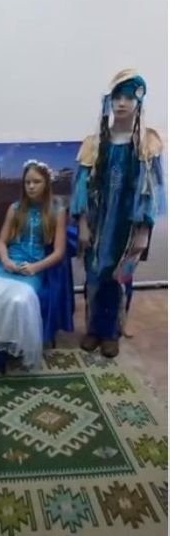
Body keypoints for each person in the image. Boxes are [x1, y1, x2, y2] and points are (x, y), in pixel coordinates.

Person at [71, 69, 164, 357]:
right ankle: (94, 329)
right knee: (95, 274)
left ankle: (111, 332)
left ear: (138, 102)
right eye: (116, 97)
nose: (121, 103)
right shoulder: (95, 144)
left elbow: (152, 191)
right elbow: (81, 187)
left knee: (119, 276)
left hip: (128, 225)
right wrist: (83, 223)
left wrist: (144, 232)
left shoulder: (146, 144)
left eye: (128, 97)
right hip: (98, 223)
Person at [0, 160, 67, 372]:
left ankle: (10, 350)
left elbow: (58, 252)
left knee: (19, 300)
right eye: (27, 182)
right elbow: (1, 242)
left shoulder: (57, 211)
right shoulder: (15, 208)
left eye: (36, 182)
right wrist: (7, 262)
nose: (31, 186)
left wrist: (36, 268)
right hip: (9, 264)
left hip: (33, 268)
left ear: (46, 183)